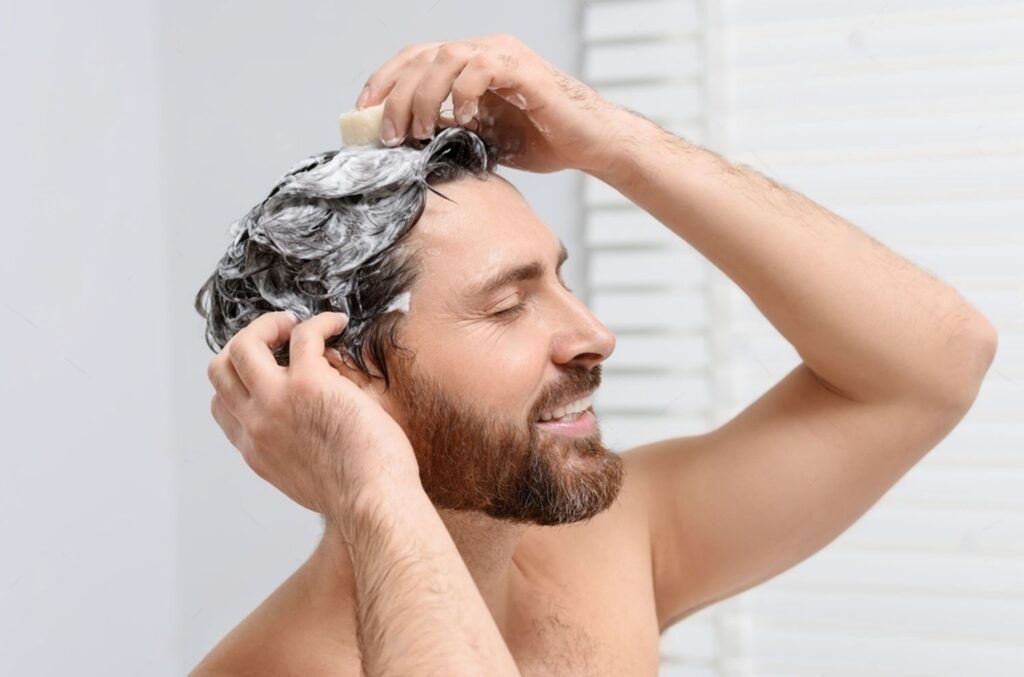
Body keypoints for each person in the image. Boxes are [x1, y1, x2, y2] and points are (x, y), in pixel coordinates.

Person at [193, 34, 998, 677]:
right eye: (508, 304)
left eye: (560, 279)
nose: (594, 334)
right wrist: (369, 483)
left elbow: (931, 367)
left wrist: (610, 139)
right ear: (340, 372)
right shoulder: (272, 668)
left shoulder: (607, 553)